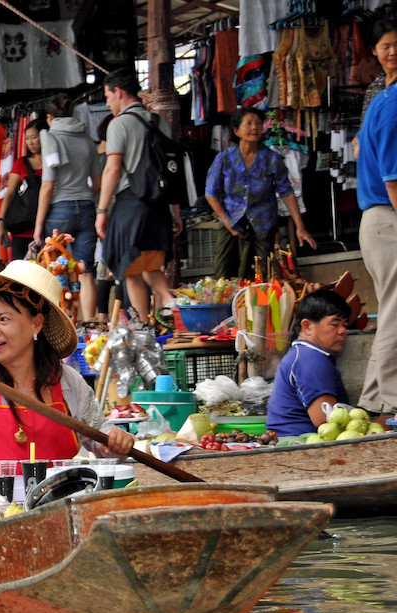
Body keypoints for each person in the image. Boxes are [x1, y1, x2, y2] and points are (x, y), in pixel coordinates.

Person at [0, 260, 135, 476]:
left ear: (36, 324)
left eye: (4, 319)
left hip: (55, 500)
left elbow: (99, 435)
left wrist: (115, 440)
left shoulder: (66, 380)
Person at [95, 68, 183, 321]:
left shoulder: (119, 123)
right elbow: (171, 171)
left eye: (108, 96)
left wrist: (101, 211)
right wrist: (175, 211)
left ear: (118, 92)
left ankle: (144, 326)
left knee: (129, 269)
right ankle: (174, 310)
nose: (108, 102)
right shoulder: (159, 122)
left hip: (131, 204)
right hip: (159, 208)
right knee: (151, 269)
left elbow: (112, 169)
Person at [205, 107, 317, 280]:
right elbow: (211, 194)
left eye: (258, 123)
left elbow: (286, 192)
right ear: (236, 130)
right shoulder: (224, 159)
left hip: (263, 225)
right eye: (248, 124)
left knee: (260, 276)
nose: (254, 127)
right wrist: (226, 222)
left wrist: (300, 227)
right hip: (232, 224)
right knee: (224, 276)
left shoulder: (271, 158)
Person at [32, 93, 101, 321]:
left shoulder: (51, 139)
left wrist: (38, 225)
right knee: (86, 270)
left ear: (50, 117)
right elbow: (98, 181)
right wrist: (83, 197)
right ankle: (90, 324)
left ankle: (61, 324)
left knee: (56, 270)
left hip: (59, 210)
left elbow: (48, 186)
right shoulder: (88, 140)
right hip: (87, 206)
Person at [354, 77, 397, 415]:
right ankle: (394, 400)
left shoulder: (383, 100)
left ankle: (372, 400)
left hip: (381, 218)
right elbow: (393, 176)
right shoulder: (392, 103)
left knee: (391, 312)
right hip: (389, 216)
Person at [267, 290, 353, 436]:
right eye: (335, 324)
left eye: (345, 324)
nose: (343, 331)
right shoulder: (310, 359)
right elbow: (326, 420)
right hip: (299, 445)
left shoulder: (303, 354)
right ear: (307, 326)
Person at [0, 118, 45, 261]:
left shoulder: (51, 161)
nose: (30, 142)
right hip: (22, 228)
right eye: (27, 138)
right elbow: (10, 193)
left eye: (34, 137)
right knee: (18, 273)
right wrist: (0, 221)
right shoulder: (21, 163)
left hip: (45, 228)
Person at [363, 19, 397, 121]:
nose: (393, 52)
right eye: (385, 47)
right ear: (374, 50)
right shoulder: (374, 88)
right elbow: (366, 129)